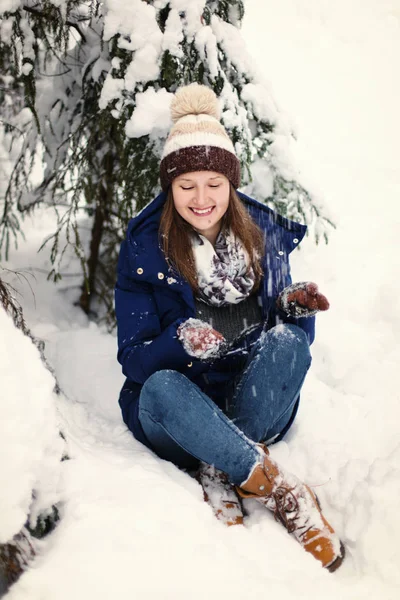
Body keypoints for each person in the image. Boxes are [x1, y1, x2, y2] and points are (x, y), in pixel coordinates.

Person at [115, 84, 345, 572]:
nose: (201, 199)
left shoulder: (262, 236)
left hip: (250, 402)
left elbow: (290, 349)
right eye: (186, 185)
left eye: (214, 184)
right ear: (169, 188)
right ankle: (278, 488)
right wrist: (179, 343)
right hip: (178, 412)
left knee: (288, 343)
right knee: (158, 387)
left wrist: (294, 309)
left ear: (231, 184)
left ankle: (219, 460)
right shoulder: (143, 249)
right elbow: (133, 358)